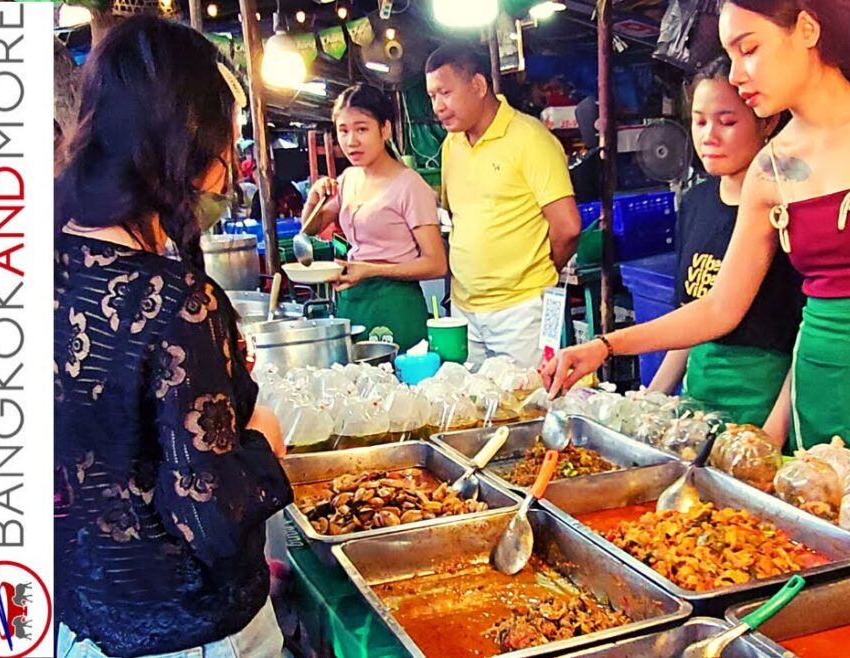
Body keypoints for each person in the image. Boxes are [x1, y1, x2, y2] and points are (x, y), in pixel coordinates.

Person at [544, 0, 850, 498]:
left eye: (748, 49)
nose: (737, 73)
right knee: (835, 548)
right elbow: (719, 307)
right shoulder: (771, 168)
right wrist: (605, 345)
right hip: (821, 396)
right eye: (730, 55)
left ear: (806, 28)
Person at [53, 17, 291, 657]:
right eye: (228, 140)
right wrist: (265, 436)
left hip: (69, 618)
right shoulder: (174, 302)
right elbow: (208, 517)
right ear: (186, 141)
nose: (230, 164)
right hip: (185, 629)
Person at [647, 56, 803, 431]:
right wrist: (651, 402)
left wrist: (771, 432)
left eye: (727, 122)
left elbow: (807, 339)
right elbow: (690, 318)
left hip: (765, 403)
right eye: (699, 121)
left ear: (767, 121)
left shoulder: (791, 208)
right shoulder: (696, 202)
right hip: (697, 405)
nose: (708, 136)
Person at [426, 42, 582, 368]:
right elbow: (458, 218)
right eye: (432, 97)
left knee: (528, 406)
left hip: (523, 312)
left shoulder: (531, 139)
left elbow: (567, 228)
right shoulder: (450, 146)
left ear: (479, 85)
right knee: (470, 411)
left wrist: (534, 273)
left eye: (445, 93)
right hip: (464, 309)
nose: (438, 106)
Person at [301, 84, 447, 348]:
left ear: (385, 129)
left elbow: (436, 264)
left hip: (395, 305)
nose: (351, 141)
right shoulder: (348, 179)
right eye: (343, 131)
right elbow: (310, 230)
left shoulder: (409, 185)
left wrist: (370, 270)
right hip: (352, 301)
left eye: (362, 129)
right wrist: (313, 197)